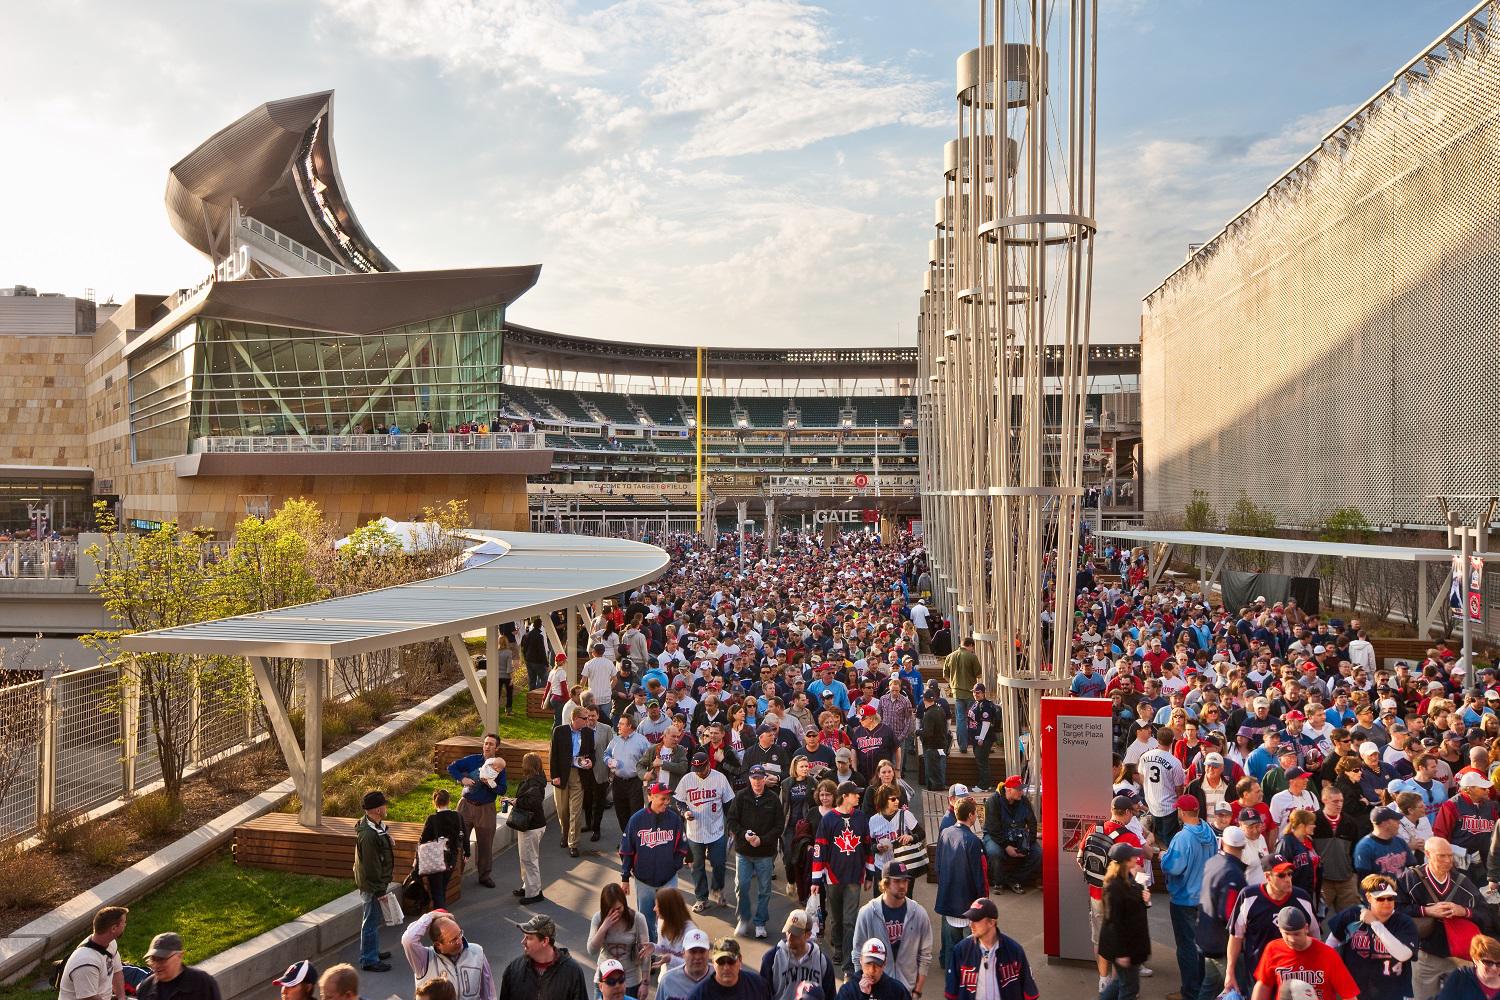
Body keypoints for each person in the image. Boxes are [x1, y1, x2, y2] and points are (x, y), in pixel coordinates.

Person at [1395, 836, 1485, 1000]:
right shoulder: (1410, 878)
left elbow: (1487, 914)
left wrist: (1463, 911)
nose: (1448, 860)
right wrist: (1426, 911)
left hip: (1460, 956)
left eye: (1450, 855)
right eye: (1442, 856)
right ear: (1428, 854)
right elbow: (1394, 910)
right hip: (1425, 955)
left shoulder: (1463, 881)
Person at [1225, 856, 1321, 997]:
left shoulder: (1302, 897)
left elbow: (1315, 935)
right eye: (1281, 875)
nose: (1288, 879)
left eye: (1290, 874)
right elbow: (1236, 937)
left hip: (1295, 977)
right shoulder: (1248, 896)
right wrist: (1229, 972)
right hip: (1259, 976)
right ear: (1267, 876)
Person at [812, 781, 874, 979]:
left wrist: (870, 873)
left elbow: (867, 846)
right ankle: (838, 947)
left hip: (854, 877)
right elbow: (819, 848)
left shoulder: (861, 817)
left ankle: (849, 962)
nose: (858, 796)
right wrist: (816, 878)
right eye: (855, 794)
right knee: (837, 918)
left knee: (850, 921)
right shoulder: (829, 819)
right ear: (845, 796)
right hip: (833, 877)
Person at [1325, 875, 1419, 1000]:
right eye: (1380, 898)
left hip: (1395, 993)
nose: (1386, 902)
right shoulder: (1352, 915)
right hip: (1355, 993)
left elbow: (1403, 955)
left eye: (1390, 898)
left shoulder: (1404, 922)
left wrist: (1375, 924)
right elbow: (1329, 947)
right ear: (1369, 897)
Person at [1160, 794, 1216, 1000]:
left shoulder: (1182, 837)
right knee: (1201, 947)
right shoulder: (1208, 831)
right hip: (1205, 898)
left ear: (1182, 812)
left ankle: (1190, 993)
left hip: (1184, 901)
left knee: (1187, 949)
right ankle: (1201, 988)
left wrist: (1162, 856)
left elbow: (1172, 867)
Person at [851, 862, 933, 998]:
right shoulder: (867, 913)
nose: (902, 885)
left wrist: (917, 990)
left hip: (907, 990)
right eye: (897, 881)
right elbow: (858, 954)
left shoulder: (918, 913)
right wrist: (863, 988)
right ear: (885, 883)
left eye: (905, 881)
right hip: (876, 991)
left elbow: (925, 955)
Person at [623, 781, 690, 940]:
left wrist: (674, 865)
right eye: (663, 798)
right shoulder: (636, 820)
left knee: (670, 918)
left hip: (668, 879)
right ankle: (652, 953)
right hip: (644, 880)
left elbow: (682, 846)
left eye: (668, 798)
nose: (666, 802)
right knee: (646, 922)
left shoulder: (674, 819)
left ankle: (670, 952)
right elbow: (627, 850)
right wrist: (625, 877)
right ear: (650, 796)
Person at [1250, 905, 1360, 1000]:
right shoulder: (1273, 949)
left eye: (1296, 934)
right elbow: (1264, 985)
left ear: (1306, 928)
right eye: (1287, 933)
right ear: (1280, 930)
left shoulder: (1328, 954)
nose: (1292, 939)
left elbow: (1349, 995)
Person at [727, 764, 786, 938]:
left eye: (760, 778)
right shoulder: (740, 797)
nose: (757, 782)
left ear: (764, 779)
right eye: (754, 778)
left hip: (765, 853)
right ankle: (744, 918)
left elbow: (779, 826)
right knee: (742, 886)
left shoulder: (773, 799)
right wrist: (743, 834)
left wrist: (763, 839)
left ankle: (760, 922)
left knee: (764, 889)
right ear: (749, 779)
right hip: (743, 851)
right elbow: (731, 820)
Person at [944, 897, 1038, 1000]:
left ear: (991, 922)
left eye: (976, 920)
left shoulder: (1014, 950)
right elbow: (951, 994)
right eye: (970, 920)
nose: (971, 925)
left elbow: (1030, 993)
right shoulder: (960, 950)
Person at [677, 750, 736, 913]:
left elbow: (729, 805)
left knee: (718, 863)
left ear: (708, 764)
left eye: (702, 768)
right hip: (694, 831)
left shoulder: (719, 778)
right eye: (696, 769)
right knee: (697, 867)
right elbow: (680, 801)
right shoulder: (687, 779)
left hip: (716, 829)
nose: (699, 772)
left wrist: (731, 827)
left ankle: (717, 889)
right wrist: (684, 812)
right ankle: (701, 898)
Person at [934, 798, 988, 969]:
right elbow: (979, 877)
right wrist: (982, 903)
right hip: (967, 905)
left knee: (950, 948)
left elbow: (938, 866)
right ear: (971, 815)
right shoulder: (973, 841)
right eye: (976, 813)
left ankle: (950, 975)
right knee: (969, 952)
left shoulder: (945, 833)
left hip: (947, 899)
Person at [1198, 825, 1249, 999]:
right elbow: (1230, 915)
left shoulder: (1213, 862)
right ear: (1243, 846)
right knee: (1237, 989)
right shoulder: (1233, 873)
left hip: (1207, 937)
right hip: (1223, 944)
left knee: (1209, 985)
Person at [401, 910, 495, 1000]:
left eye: (459, 934)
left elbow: (489, 993)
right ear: (438, 945)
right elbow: (408, 940)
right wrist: (431, 915)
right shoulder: (424, 960)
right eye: (453, 940)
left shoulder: (477, 952)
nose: (460, 941)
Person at [1097, 843, 1151, 1000]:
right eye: (1133, 855)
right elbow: (1114, 922)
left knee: (1121, 982)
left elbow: (1132, 906)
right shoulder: (1115, 887)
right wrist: (1121, 953)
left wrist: (1144, 900)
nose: (1137, 857)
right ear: (1125, 861)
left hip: (1130, 945)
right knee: (1129, 988)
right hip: (1126, 947)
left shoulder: (1128, 878)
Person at [496, 913, 590, 1000]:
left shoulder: (572, 972)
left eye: (528, 938)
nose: (523, 942)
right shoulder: (513, 969)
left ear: (545, 941)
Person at [353, 790, 394, 972]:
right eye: (384, 805)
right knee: (370, 922)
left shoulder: (375, 826)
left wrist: (387, 838)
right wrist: (379, 888)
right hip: (372, 885)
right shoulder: (369, 835)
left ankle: (373, 951)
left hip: (375, 883)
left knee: (373, 920)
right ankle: (369, 959)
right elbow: (371, 866)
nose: (386, 807)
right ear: (377, 810)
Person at [588, 883, 653, 998]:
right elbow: (591, 950)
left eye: (618, 908)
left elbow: (645, 953)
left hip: (630, 980)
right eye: (610, 910)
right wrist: (604, 927)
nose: (615, 913)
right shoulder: (598, 918)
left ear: (624, 904)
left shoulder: (637, 919)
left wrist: (645, 983)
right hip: (605, 981)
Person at [759, 910, 837, 1000]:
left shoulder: (822, 961)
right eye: (788, 931)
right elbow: (762, 994)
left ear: (808, 935)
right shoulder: (771, 959)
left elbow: (830, 996)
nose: (790, 937)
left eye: (795, 933)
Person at [551, 708, 596, 857]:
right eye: (585, 718)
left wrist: (590, 762)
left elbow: (592, 754)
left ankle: (573, 843)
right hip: (562, 775)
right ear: (575, 718)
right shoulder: (559, 731)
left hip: (579, 775)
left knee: (575, 811)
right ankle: (565, 834)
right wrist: (554, 775)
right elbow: (554, 755)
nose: (587, 721)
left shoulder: (588, 733)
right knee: (563, 810)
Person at [983, 776, 1040, 894]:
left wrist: (1028, 843)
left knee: (1038, 854)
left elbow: (1032, 823)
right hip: (995, 836)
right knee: (995, 852)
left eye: (1022, 789)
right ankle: (998, 882)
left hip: (1018, 835)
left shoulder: (1024, 801)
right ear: (1008, 789)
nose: (1021, 792)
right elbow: (993, 829)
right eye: (1018, 789)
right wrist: (1006, 846)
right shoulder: (993, 801)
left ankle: (1014, 879)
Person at [57, 905, 128, 1000]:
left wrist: (121, 998)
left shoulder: (111, 944)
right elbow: (89, 998)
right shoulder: (86, 962)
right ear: (114, 928)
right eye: (124, 922)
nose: (125, 925)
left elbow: (116, 972)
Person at [419, 788, 468, 909]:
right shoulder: (457, 816)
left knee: (437, 892)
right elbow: (465, 835)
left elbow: (423, 840)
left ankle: (440, 919)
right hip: (451, 857)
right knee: (442, 887)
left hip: (435, 858)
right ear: (449, 801)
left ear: (434, 802)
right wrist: (467, 853)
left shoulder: (432, 819)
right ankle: (442, 914)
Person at [510, 752, 549, 904]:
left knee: (529, 860)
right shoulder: (537, 780)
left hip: (531, 826)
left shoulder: (534, 783)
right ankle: (528, 886)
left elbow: (533, 803)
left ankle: (534, 893)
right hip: (534, 825)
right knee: (525, 859)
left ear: (527, 766)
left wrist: (517, 803)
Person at [135, 934, 222, 1000]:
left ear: (180, 956)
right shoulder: (146, 989)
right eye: (153, 959)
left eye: (162, 959)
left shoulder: (202, 982)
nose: (156, 965)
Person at [608, 712, 652, 834]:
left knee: (635, 813)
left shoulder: (641, 741)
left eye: (621, 724)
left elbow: (650, 758)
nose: (618, 726)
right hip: (618, 782)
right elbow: (606, 755)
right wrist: (609, 760)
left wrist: (646, 774)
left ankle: (634, 839)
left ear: (630, 726)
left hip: (635, 782)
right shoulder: (615, 740)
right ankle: (626, 836)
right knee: (621, 812)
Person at [687, 938, 771, 1000]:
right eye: (721, 962)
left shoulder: (758, 985)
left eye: (731, 961)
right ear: (713, 962)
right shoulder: (698, 996)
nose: (726, 967)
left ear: (740, 960)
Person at [834, 941, 909, 1000]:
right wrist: (863, 996)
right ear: (861, 961)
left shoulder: (897, 990)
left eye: (877, 964)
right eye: (868, 964)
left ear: (884, 964)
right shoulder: (848, 991)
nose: (872, 970)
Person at [941, 638, 980, 753]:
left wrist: (952, 684)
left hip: (957, 693)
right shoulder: (972, 657)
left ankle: (962, 746)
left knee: (961, 720)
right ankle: (975, 744)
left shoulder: (950, 656)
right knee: (974, 719)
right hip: (970, 693)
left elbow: (945, 675)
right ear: (971, 645)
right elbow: (979, 675)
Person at [1434, 933, 1500, 999]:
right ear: (1476, 960)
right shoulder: (1461, 978)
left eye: (1498, 963)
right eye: (1488, 962)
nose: (1494, 968)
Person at [1353, 807, 1411, 881]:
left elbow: (1413, 866)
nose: (1399, 823)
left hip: (1402, 890)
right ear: (1385, 824)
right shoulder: (1364, 847)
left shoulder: (1400, 841)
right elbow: (1365, 881)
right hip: (1379, 891)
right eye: (1396, 820)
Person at [661, 930, 714, 1000]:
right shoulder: (668, 980)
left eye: (702, 951)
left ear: (708, 953)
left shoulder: (719, 977)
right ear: (683, 953)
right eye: (693, 952)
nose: (698, 957)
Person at [965, 684, 1000, 789]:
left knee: (982, 762)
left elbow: (986, 723)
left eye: (978, 692)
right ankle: (985, 784)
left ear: (983, 693)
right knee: (980, 761)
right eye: (974, 692)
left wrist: (981, 738)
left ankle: (984, 785)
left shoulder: (985, 705)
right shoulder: (976, 703)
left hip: (983, 739)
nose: (975, 694)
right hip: (976, 738)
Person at [919, 689, 948, 791]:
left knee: (932, 772)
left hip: (932, 747)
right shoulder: (940, 710)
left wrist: (918, 732)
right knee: (940, 770)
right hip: (942, 744)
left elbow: (928, 733)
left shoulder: (929, 714)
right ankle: (941, 786)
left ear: (924, 699)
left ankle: (934, 790)